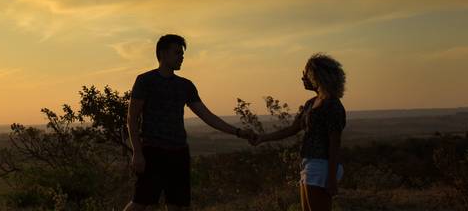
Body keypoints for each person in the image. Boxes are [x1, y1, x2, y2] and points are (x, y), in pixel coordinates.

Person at [124, 34, 255, 211]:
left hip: (179, 153)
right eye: (177, 53)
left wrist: (238, 132)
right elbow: (132, 118)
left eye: (182, 53)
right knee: (140, 203)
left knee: (179, 206)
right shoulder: (145, 80)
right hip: (153, 152)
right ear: (163, 54)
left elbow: (207, 116)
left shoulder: (185, 85)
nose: (182, 57)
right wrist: (137, 153)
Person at [251, 53, 347, 211]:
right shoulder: (311, 103)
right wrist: (263, 138)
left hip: (321, 165)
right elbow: (292, 129)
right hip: (309, 163)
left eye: (305, 73)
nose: (302, 78)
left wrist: (331, 179)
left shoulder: (332, 105)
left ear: (315, 76)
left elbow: (334, 144)